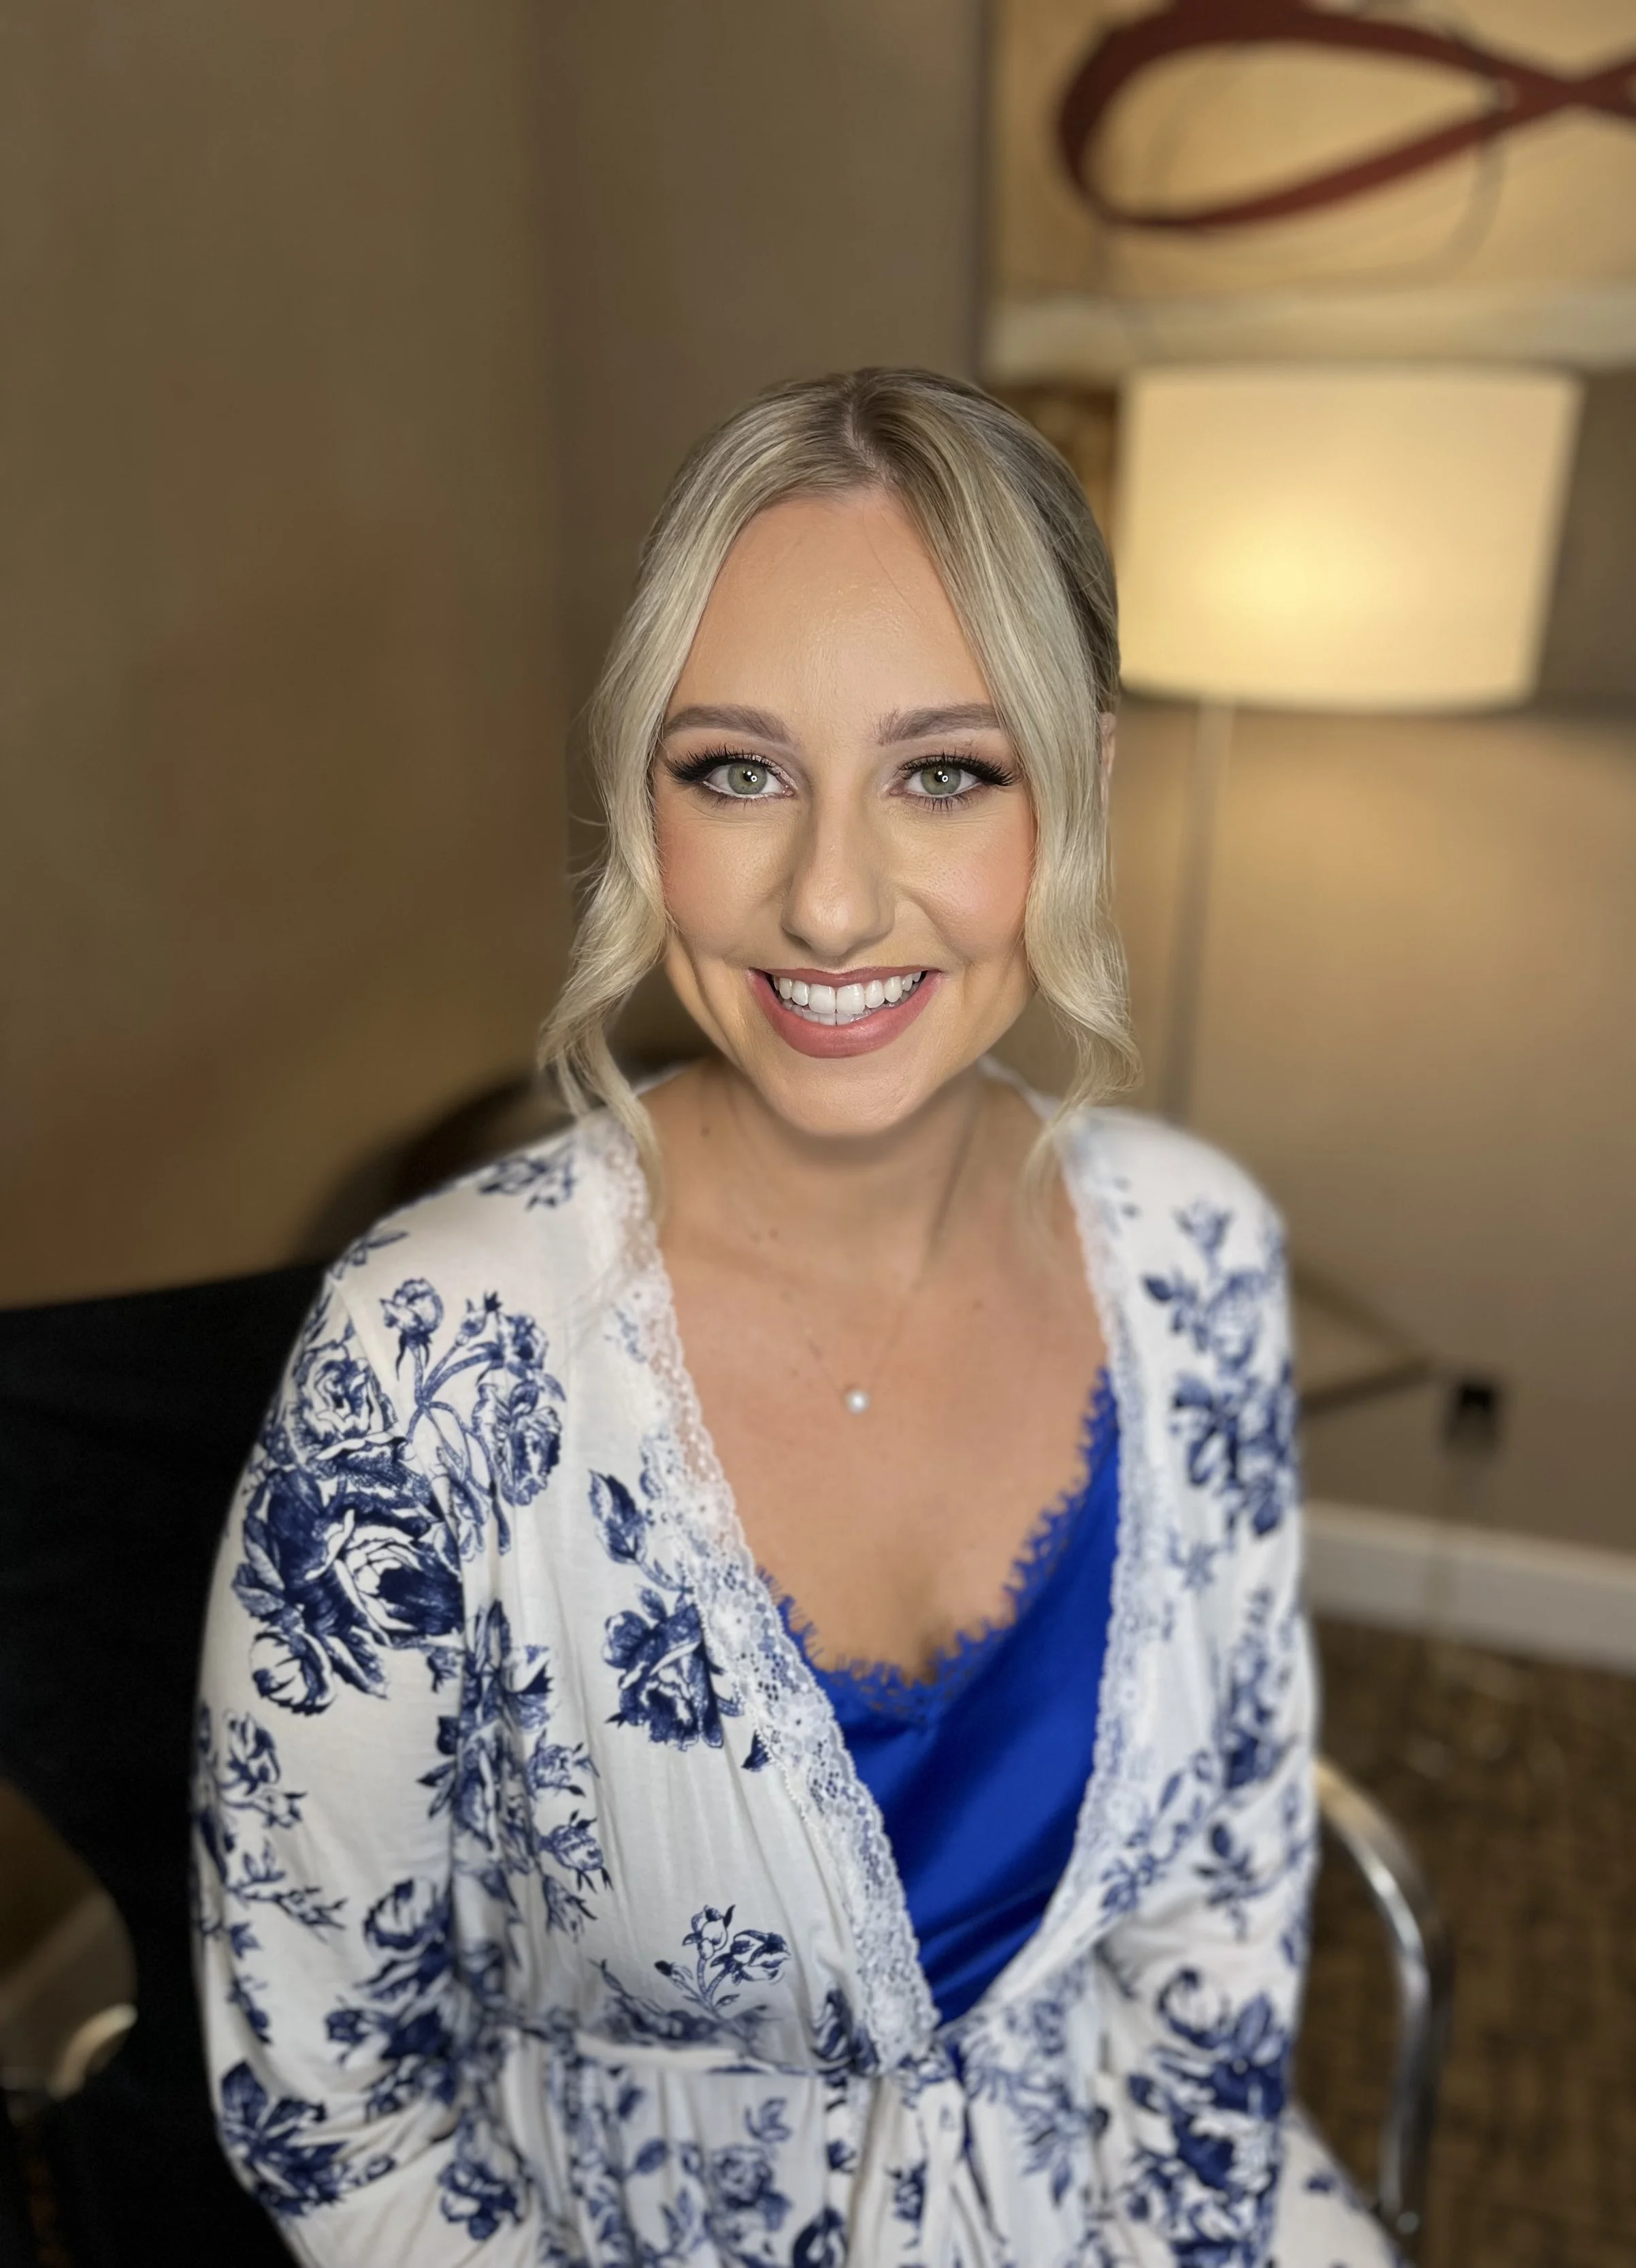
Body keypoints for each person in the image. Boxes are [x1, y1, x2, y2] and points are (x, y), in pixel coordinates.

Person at [193, 369, 1392, 2267]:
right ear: (638, 798)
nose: (829, 902)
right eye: (735, 769)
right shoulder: (421, 1364)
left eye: (943, 770)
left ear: (1072, 781)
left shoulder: (1197, 1259)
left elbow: (1216, 1917)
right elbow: (331, 2103)